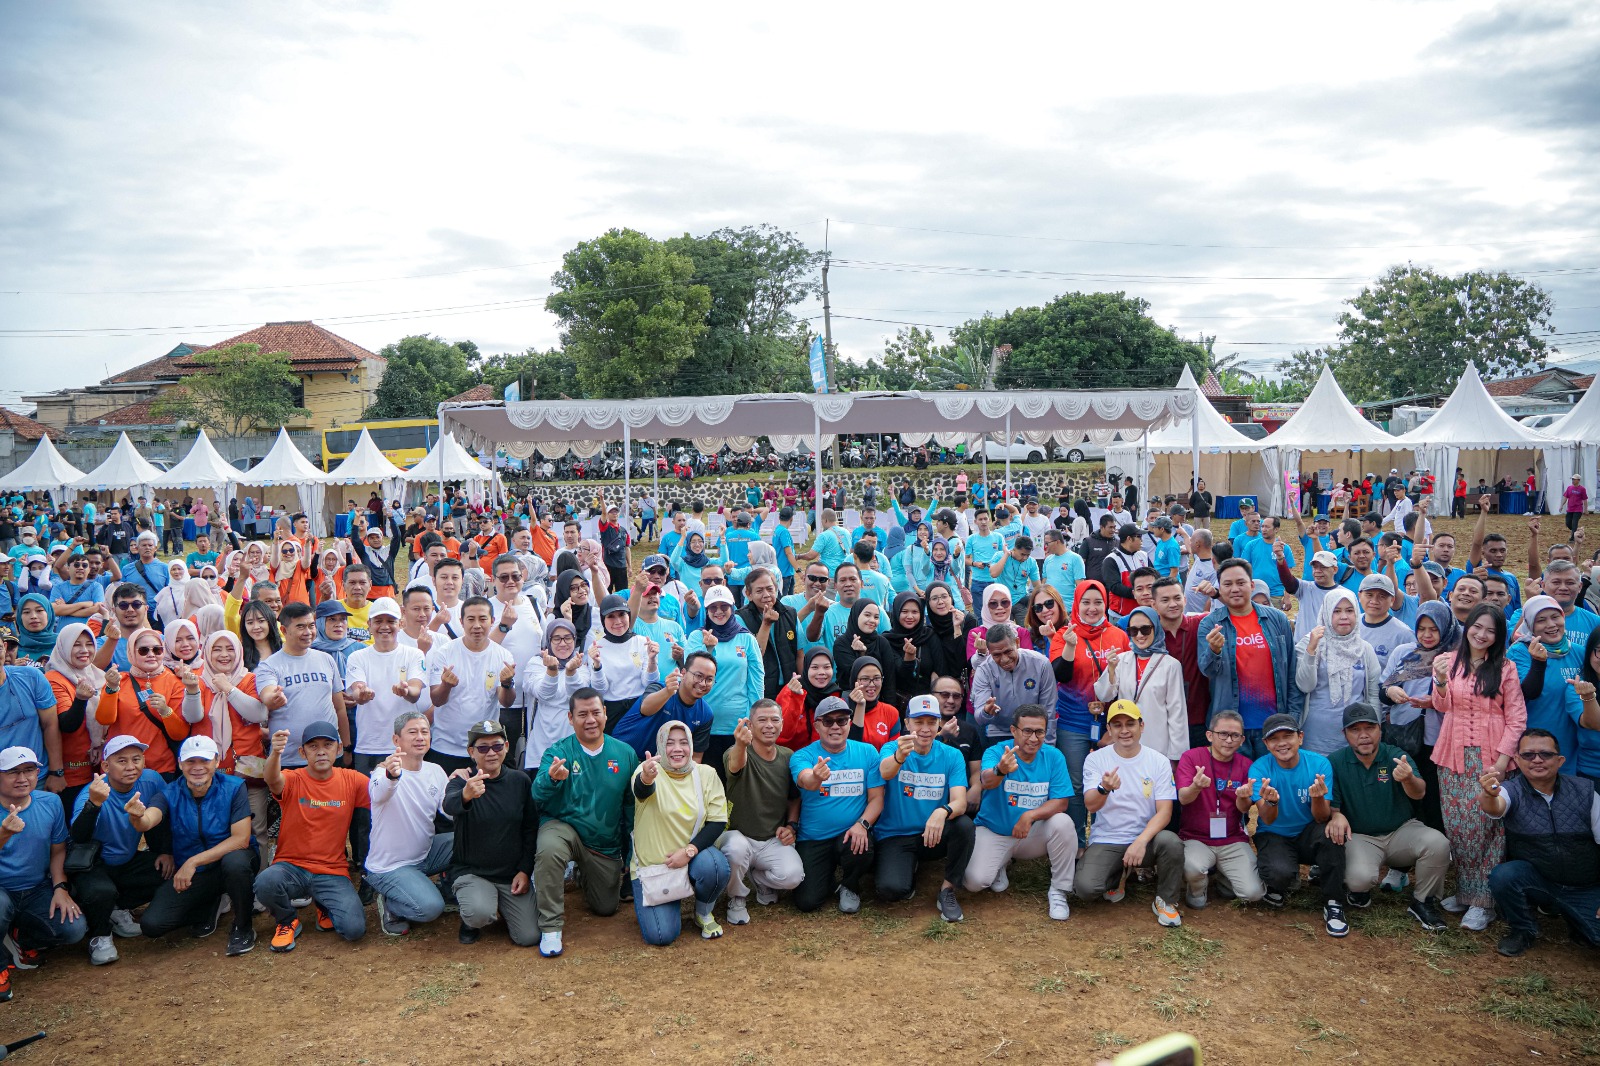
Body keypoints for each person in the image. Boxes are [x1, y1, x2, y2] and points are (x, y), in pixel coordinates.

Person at [1430, 603, 1525, 930]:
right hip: (1453, 753)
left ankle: (1485, 902)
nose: (1482, 635)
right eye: (1477, 627)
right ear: (1467, 626)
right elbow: (1441, 705)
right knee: (1458, 826)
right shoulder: (1447, 661)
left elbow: (1517, 718)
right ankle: (1466, 891)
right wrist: (1440, 680)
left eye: (1491, 631)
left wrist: (1502, 761)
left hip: (1492, 757)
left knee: (1488, 828)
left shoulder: (1506, 668)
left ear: (1499, 637)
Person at [530, 688, 639, 958]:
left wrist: (629, 852)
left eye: (595, 712)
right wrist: (552, 779)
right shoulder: (558, 752)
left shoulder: (625, 753)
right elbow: (537, 794)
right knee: (550, 849)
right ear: (570, 718)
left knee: (606, 908)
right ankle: (551, 927)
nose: (590, 720)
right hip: (562, 827)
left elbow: (630, 808)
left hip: (602, 842)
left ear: (605, 713)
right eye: (582, 714)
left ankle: (583, 873)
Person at [1325, 702, 1450, 930]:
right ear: (1345, 734)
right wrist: (1336, 815)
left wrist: (1408, 779)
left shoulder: (1395, 755)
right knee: (1359, 879)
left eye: (1370, 728)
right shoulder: (1335, 762)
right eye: (1355, 729)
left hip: (1401, 830)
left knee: (1438, 843)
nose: (1364, 735)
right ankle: (1359, 891)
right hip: (1361, 836)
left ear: (1380, 729)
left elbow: (1419, 792)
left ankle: (1423, 901)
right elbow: (1332, 807)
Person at [135, 735, 259, 956]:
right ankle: (209, 904)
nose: (198, 767)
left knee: (235, 863)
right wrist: (138, 817)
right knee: (152, 924)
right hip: (199, 874)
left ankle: (243, 927)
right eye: (191, 761)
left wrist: (193, 862)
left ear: (217, 761)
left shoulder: (234, 787)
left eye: (205, 760)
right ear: (180, 764)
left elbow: (240, 839)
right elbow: (149, 819)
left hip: (228, 862)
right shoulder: (169, 793)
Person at [1482, 728, 1600, 957]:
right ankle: (1523, 929)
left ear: (1560, 760)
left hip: (1585, 885)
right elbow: (1494, 808)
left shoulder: (1586, 791)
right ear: (1517, 760)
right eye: (1528, 755)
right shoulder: (1509, 790)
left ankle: (1577, 922)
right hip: (1540, 881)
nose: (1537, 760)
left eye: (1545, 754)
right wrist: (1488, 794)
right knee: (1504, 876)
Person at [254, 722, 370, 951]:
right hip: (291, 867)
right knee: (265, 882)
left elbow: (381, 793)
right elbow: (272, 779)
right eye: (313, 746)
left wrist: (390, 775)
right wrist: (275, 752)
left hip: (331, 870)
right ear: (302, 752)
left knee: (354, 929)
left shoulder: (352, 780)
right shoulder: (293, 778)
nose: (321, 751)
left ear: (338, 749)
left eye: (328, 745)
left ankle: (324, 905)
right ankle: (287, 920)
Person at [963, 703, 1077, 920]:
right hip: (995, 830)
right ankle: (1001, 863)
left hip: (1031, 833)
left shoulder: (1053, 756)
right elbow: (986, 781)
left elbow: (1061, 802)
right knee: (974, 882)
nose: (1033, 738)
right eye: (1027, 731)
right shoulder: (997, 752)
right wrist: (1000, 770)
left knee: (1063, 823)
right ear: (1014, 730)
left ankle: (1059, 890)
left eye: (1039, 732)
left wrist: (1030, 815)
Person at [1076, 701, 1184, 926]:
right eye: (1117, 725)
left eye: (1130, 724)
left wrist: (1141, 841)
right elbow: (1091, 806)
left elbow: (1165, 812)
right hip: (1108, 838)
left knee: (1171, 842)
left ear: (1141, 726)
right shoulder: (1096, 759)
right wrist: (1104, 788)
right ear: (1109, 729)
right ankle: (1120, 874)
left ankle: (1166, 900)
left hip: (1146, 839)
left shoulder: (1159, 761)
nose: (1124, 730)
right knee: (1086, 889)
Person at [1244, 713, 1348, 936]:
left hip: (1309, 830)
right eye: (1274, 739)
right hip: (1275, 833)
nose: (1281, 743)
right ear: (1266, 744)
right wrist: (1271, 802)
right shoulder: (1259, 769)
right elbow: (1267, 819)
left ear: (1300, 737)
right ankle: (1284, 881)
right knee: (1278, 873)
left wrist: (1318, 798)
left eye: (1287, 736)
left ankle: (1333, 902)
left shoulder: (1319, 764)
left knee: (1331, 834)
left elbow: (1321, 817)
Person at [627, 719, 730, 944]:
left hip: (692, 856)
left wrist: (689, 851)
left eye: (683, 742)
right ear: (660, 745)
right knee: (661, 935)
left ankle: (703, 912)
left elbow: (717, 821)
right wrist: (647, 778)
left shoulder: (706, 773)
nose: (677, 749)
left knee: (714, 866)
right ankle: (671, 898)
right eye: (669, 743)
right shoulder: (647, 770)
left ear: (691, 746)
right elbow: (641, 790)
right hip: (657, 866)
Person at [67, 735, 166, 965]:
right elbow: (78, 836)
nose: (131, 767)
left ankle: (117, 908)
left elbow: (164, 813)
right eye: (121, 761)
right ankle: (100, 935)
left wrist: (166, 851)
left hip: (127, 860)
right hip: (94, 863)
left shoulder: (151, 780)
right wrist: (94, 804)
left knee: (171, 868)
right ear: (105, 766)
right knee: (101, 891)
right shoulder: (94, 792)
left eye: (136, 759)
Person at [873, 694, 973, 922]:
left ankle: (948, 889)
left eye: (931, 722)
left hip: (933, 833)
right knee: (890, 890)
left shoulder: (952, 755)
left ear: (939, 724)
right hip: (896, 834)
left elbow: (960, 801)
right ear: (907, 723)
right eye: (918, 722)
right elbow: (885, 772)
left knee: (964, 826)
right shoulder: (892, 747)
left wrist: (942, 811)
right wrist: (900, 756)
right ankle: (909, 868)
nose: (925, 729)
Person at [0, 744, 85, 1000]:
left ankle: (20, 937)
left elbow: (58, 850)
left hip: (37, 887)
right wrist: (4, 833)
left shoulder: (50, 802)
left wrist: (60, 887)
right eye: (13, 772)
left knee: (74, 929)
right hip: (2, 889)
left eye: (29, 770)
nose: (22, 778)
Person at [444, 718, 538, 947]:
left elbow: (530, 828)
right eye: (483, 748)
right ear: (471, 752)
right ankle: (472, 920)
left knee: (529, 937)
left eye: (497, 746)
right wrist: (466, 795)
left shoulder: (520, 781)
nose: (491, 753)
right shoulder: (462, 781)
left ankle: (501, 905)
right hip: (472, 872)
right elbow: (449, 805)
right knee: (479, 913)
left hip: (510, 875)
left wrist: (525, 870)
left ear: (506, 747)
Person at [1197, 559, 1301, 759]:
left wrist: (1292, 719)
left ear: (1252, 585)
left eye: (1241, 582)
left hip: (1274, 727)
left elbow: (1291, 672)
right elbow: (1207, 671)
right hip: (1230, 730)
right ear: (1220, 589)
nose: (1235, 589)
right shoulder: (1210, 624)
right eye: (1227, 584)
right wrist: (1214, 650)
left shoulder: (1277, 620)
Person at [789, 695, 884, 914]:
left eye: (841, 720)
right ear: (817, 726)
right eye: (828, 721)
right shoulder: (803, 755)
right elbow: (806, 780)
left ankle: (850, 884)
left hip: (851, 833)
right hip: (814, 837)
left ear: (849, 723)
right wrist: (816, 776)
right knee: (807, 902)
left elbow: (877, 799)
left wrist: (862, 824)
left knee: (862, 845)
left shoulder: (868, 752)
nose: (835, 726)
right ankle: (830, 879)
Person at [363, 711, 451, 937]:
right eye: (412, 732)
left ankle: (449, 888)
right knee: (431, 908)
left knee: (467, 840)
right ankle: (392, 905)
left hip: (425, 854)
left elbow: (450, 812)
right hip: (390, 867)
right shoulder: (383, 772)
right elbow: (380, 791)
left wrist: (463, 790)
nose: (420, 737)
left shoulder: (435, 771)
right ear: (396, 740)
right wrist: (392, 775)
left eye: (425, 732)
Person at [719, 699, 803, 923]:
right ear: (750, 724)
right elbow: (735, 765)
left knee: (793, 876)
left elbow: (794, 798)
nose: (769, 725)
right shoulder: (735, 752)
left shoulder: (788, 756)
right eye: (762, 720)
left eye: (774, 720)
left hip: (772, 838)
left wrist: (791, 826)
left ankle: (759, 879)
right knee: (735, 849)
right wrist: (740, 744)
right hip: (738, 835)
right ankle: (737, 897)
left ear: (782, 724)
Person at [1175, 709, 1265, 908]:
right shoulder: (1191, 757)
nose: (1229, 740)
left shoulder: (1246, 765)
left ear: (1242, 740)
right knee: (1193, 867)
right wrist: (1196, 786)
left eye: (1235, 735)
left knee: (1253, 893)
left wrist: (1243, 797)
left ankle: (1225, 879)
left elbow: (1244, 809)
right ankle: (1197, 888)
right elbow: (1183, 799)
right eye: (1223, 734)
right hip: (1195, 837)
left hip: (1231, 838)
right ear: (1210, 735)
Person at [426, 597, 517, 773]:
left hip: (484, 749)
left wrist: (507, 684)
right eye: (470, 619)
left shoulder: (503, 655)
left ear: (492, 621)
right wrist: (446, 685)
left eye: (483, 619)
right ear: (461, 622)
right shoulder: (445, 653)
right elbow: (436, 700)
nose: (477, 625)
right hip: (445, 746)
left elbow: (506, 702)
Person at [94, 629, 201, 777]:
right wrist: (111, 688)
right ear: (131, 653)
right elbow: (104, 719)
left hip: (160, 768)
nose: (151, 654)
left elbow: (179, 734)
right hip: (120, 768)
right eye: (144, 650)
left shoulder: (175, 683)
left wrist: (165, 711)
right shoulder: (119, 680)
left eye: (157, 650)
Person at [683, 585, 764, 774]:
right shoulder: (696, 637)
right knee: (706, 780)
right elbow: (692, 677)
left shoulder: (746, 639)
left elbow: (756, 682)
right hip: (703, 724)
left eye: (724, 606)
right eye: (713, 607)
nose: (718, 611)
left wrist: (754, 719)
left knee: (737, 778)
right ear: (706, 610)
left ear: (732, 607)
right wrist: (709, 649)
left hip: (737, 724)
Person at [1092, 606, 1186, 762]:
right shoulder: (1121, 660)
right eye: (1133, 631)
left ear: (1155, 628)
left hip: (1158, 746)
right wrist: (1111, 669)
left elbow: (1177, 713)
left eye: (1145, 629)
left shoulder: (1171, 665)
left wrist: (1175, 756)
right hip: (1125, 744)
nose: (1140, 635)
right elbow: (1104, 695)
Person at [1294, 588, 1381, 756]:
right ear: (1326, 613)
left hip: (1355, 737)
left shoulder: (1364, 649)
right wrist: (1311, 650)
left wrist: (1375, 733)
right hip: (1315, 737)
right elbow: (1305, 686)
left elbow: (1373, 694)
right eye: (1336, 611)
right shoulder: (1310, 642)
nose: (1344, 616)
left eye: (1349, 611)